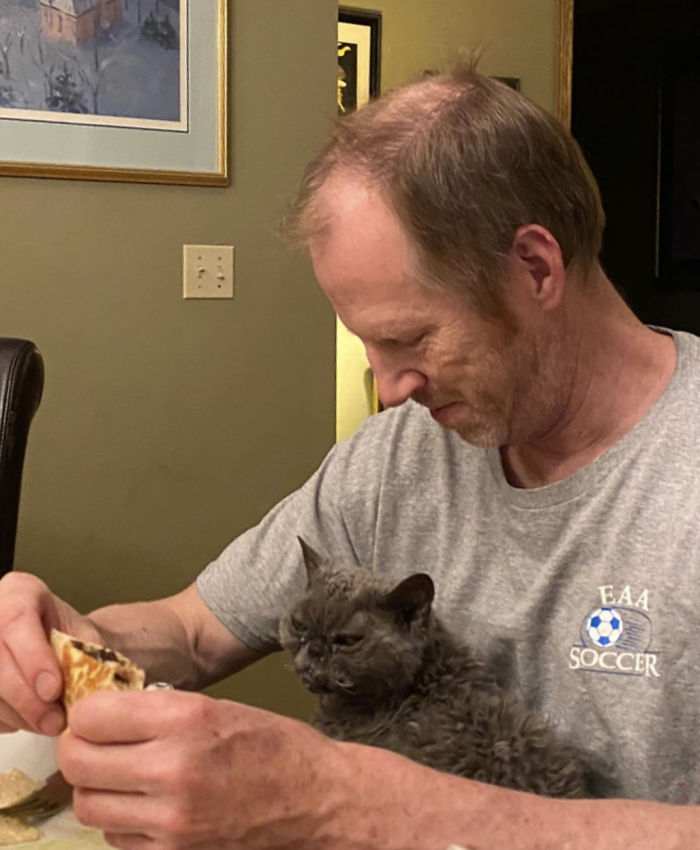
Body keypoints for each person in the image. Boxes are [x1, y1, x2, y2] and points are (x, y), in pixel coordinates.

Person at [1, 63, 699, 849]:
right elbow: (194, 632)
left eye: (408, 338)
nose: (388, 387)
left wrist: (357, 804)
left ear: (535, 267)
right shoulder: (402, 454)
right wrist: (65, 643)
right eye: (365, 342)